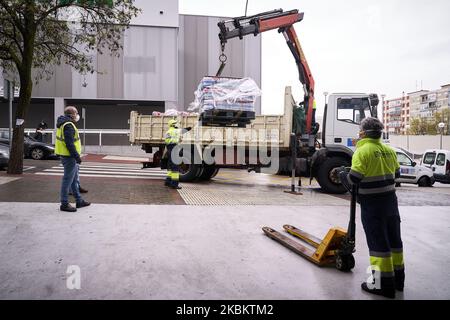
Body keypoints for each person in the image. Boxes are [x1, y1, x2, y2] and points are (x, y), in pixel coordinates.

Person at [339, 117, 404, 299]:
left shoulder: (362, 151)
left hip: (373, 205)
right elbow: (396, 173)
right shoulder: (389, 151)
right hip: (391, 203)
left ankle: (382, 286)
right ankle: (398, 281)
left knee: (378, 246)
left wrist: (343, 175)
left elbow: (355, 179)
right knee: (394, 242)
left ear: (363, 133)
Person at [55, 106, 91, 212]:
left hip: (68, 156)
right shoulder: (68, 125)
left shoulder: (64, 123)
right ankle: (64, 204)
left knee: (74, 180)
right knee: (67, 180)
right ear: (72, 114)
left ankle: (79, 201)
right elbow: (69, 144)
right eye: (76, 113)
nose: (77, 115)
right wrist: (77, 157)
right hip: (69, 157)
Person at [164, 119, 191, 189]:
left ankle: (168, 181)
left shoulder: (168, 132)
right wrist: (190, 127)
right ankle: (174, 184)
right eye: (176, 124)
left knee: (170, 166)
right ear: (173, 125)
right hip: (174, 148)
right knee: (175, 167)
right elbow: (184, 130)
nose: (177, 125)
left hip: (169, 149)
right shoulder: (175, 131)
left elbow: (167, 141)